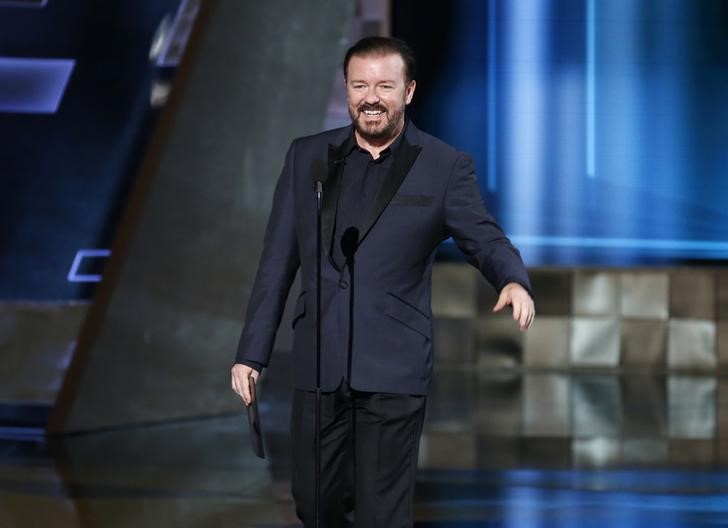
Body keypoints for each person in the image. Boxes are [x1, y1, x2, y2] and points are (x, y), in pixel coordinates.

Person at [231, 36, 535, 527]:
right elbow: (277, 261)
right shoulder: (306, 157)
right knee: (313, 503)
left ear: (409, 92)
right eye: (359, 85)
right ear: (348, 91)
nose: (371, 97)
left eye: (384, 86)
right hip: (319, 360)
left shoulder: (443, 167)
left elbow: (484, 237)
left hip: (394, 364)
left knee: (382, 512)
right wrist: (251, 352)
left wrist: (512, 279)